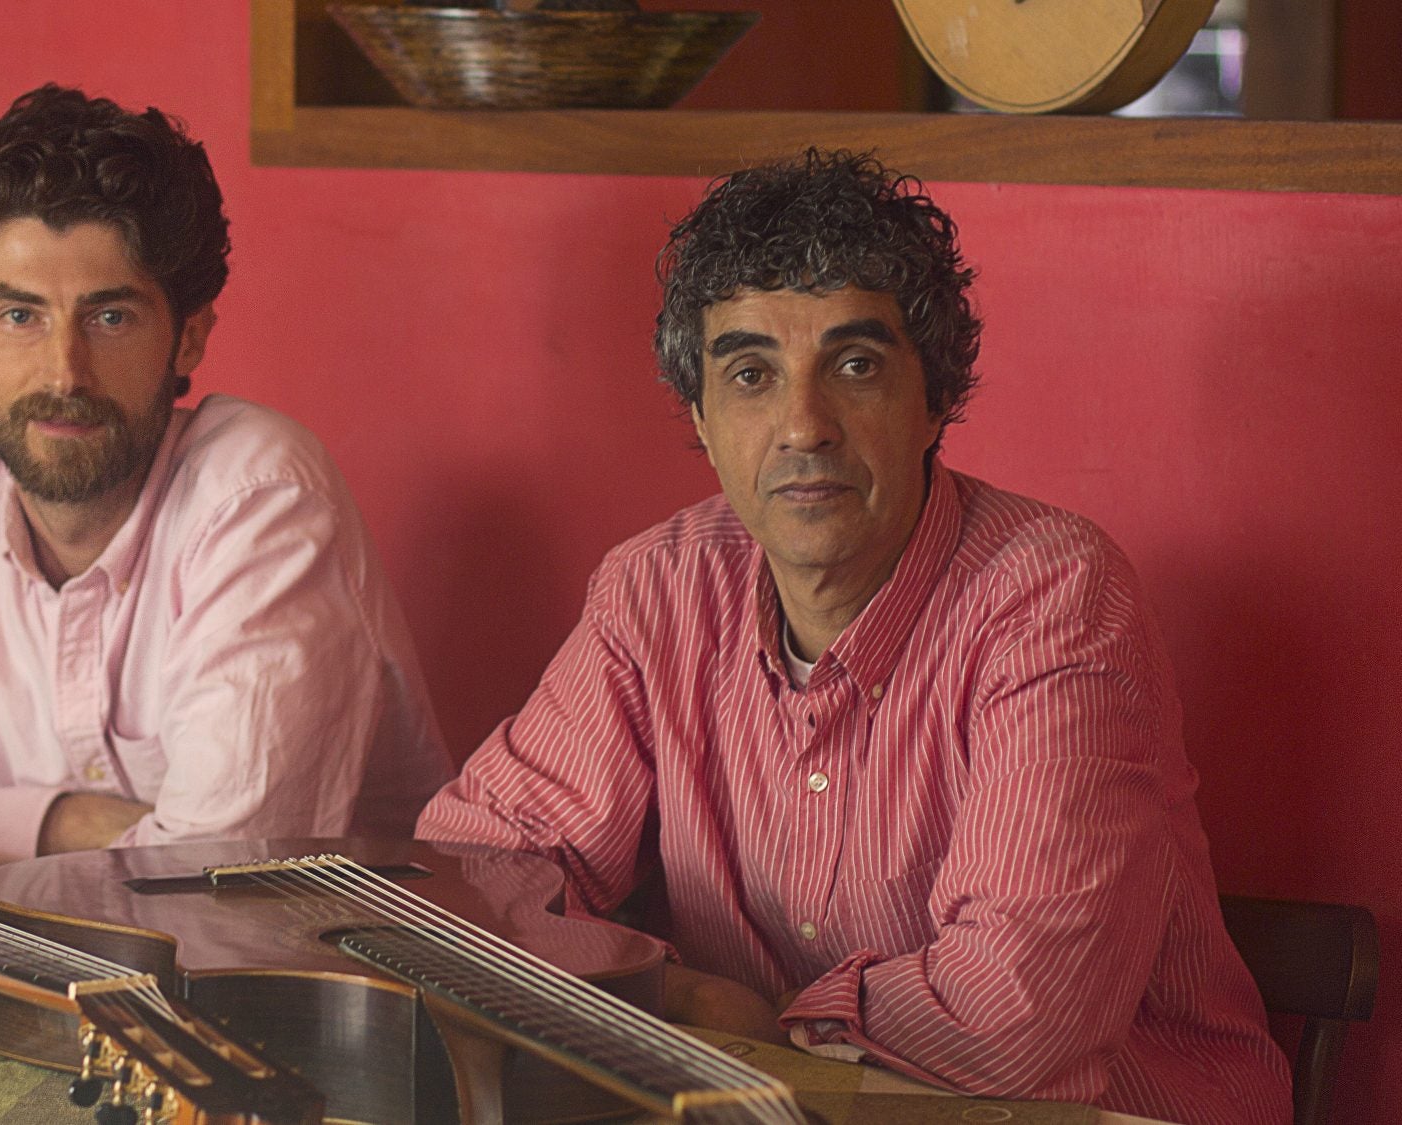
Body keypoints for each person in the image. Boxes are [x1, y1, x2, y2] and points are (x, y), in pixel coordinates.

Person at [416, 150, 1290, 1124]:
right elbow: (469, 871)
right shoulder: (656, 589)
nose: (802, 424)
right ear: (700, 419)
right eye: (750, 373)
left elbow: (1016, 1017)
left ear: (931, 401)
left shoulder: (1050, 595)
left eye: (854, 364)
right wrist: (684, 996)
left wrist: (735, 1020)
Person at [0, 84, 449, 867]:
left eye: (110, 317)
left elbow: (210, 882)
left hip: (306, 980)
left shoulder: (261, 501)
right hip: (59, 968)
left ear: (188, 339)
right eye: (20, 315)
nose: (64, 372)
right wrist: (59, 822)